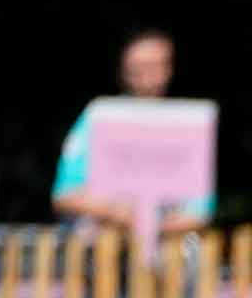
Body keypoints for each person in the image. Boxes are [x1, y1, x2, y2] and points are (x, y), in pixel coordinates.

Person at [53, 29, 211, 238]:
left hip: (169, 253)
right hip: (103, 248)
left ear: (170, 68)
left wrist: (153, 227)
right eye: (138, 66)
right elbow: (65, 196)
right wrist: (118, 214)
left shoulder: (189, 123)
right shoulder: (99, 117)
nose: (148, 75)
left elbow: (199, 213)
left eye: (156, 65)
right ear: (124, 69)